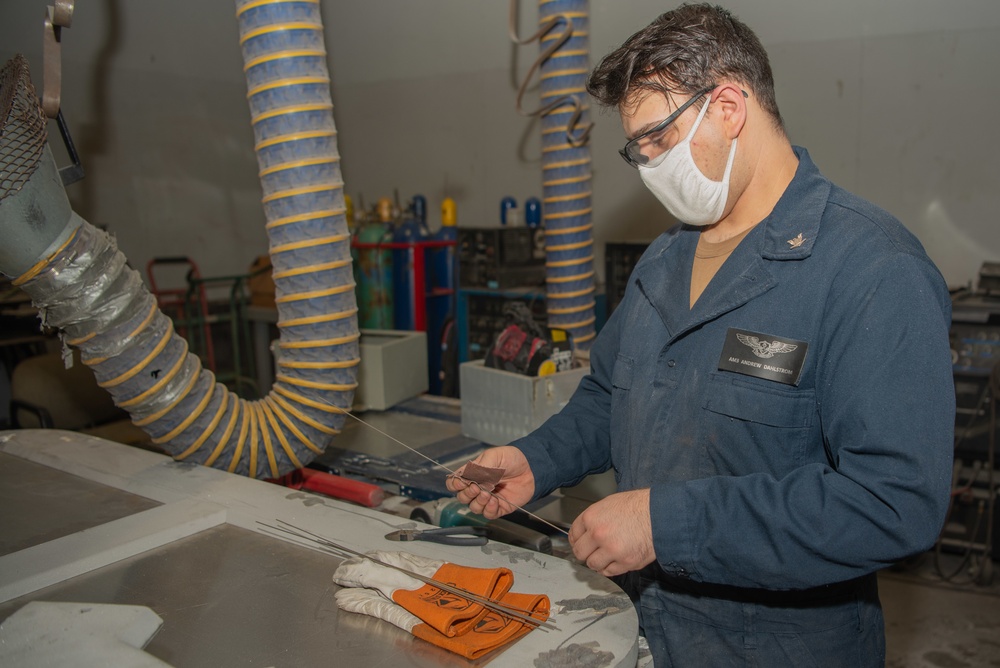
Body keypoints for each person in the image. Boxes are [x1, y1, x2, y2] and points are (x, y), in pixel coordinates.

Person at [448, 3, 955, 666]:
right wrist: (537, 458)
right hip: (645, 627)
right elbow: (609, 394)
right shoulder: (665, 261)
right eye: (637, 149)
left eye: (658, 137)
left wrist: (665, 524)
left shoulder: (872, 269)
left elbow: (894, 503)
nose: (649, 165)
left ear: (728, 107)